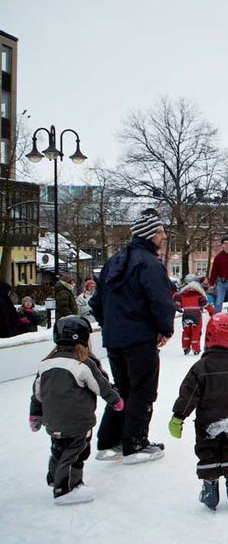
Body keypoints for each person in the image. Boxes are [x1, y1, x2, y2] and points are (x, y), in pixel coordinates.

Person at [90, 208, 176, 464]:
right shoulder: (149, 264)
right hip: (139, 337)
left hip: (115, 338)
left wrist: (110, 326)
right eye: (160, 231)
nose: (164, 236)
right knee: (142, 389)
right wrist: (165, 328)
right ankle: (135, 442)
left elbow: (97, 302)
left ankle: (109, 441)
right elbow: (160, 301)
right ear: (150, 234)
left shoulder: (115, 261)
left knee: (123, 387)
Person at [168, 313, 228, 510]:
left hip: (207, 423)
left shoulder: (201, 367)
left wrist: (178, 416)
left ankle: (210, 487)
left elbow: (188, 395)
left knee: (208, 452)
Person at [29, 316, 124, 505]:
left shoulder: (45, 364)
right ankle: (66, 488)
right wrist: (116, 401)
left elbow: (37, 393)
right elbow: (102, 386)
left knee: (58, 448)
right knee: (76, 452)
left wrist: (35, 414)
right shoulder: (84, 363)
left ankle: (55, 477)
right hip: (78, 421)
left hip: (53, 420)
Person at [173, 275, 215, 356]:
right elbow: (206, 305)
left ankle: (185, 347)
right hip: (196, 315)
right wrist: (212, 313)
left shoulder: (182, 295)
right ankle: (196, 348)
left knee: (186, 331)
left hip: (186, 315)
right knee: (196, 331)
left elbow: (177, 303)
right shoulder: (199, 295)